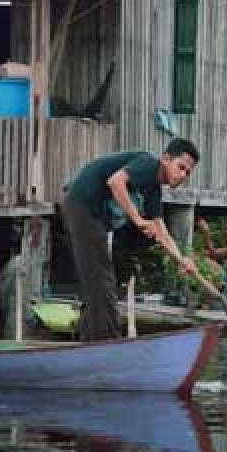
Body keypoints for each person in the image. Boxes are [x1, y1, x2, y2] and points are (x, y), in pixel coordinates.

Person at [62, 138, 199, 341]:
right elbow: (115, 182)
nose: (183, 175)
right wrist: (138, 219)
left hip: (93, 214)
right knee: (102, 279)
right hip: (83, 204)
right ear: (165, 159)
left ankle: (90, 339)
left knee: (96, 277)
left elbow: (162, 232)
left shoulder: (153, 190)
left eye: (188, 172)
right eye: (181, 167)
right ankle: (105, 341)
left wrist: (182, 260)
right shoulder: (148, 164)